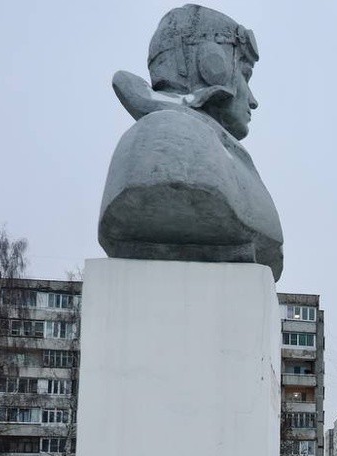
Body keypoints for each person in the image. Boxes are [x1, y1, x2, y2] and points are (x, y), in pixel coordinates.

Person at [100, 4, 284, 279]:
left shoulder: (215, 147)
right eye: (245, 75)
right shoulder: (168, 137)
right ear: (213, 66)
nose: (254, 100)